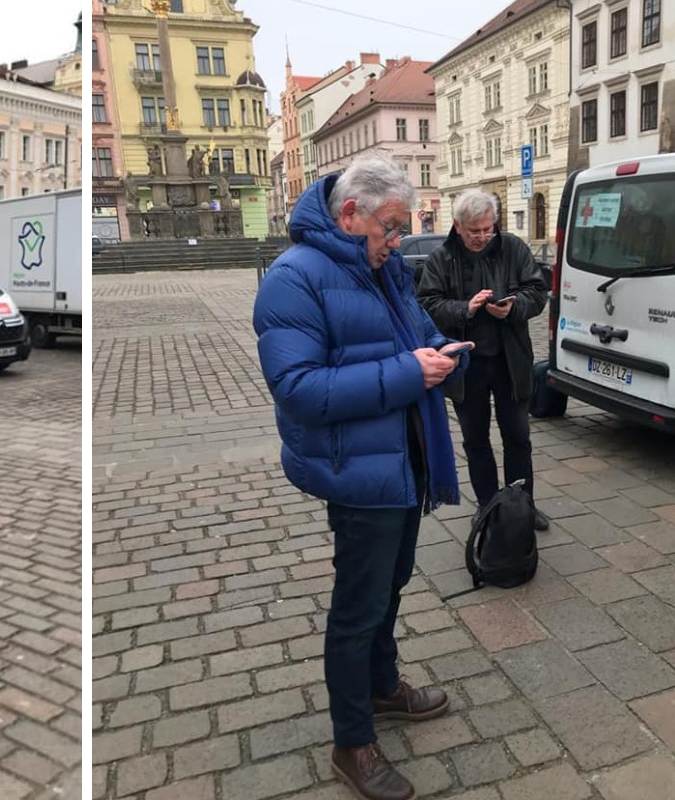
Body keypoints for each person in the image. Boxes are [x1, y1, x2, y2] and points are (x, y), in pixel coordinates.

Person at [253, 155, 470, 800]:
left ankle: (382, 687)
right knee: (358, 606)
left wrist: (447, 354)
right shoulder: (294, 278)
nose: (398, 241)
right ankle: (352, 742)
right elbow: (298, 388)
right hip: (358, 469)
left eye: (403, 229)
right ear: (350, 213)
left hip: (404, 461)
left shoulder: (385, 269)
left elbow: (422, 332)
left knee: (390, 587)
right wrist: (410, 372)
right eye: (391, 228)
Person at [418, 190, 550, 531]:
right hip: (467, 366)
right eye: (474, 231)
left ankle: (522, 505)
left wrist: (514, 307)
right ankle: (488, 506)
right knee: (475, 440)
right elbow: (428, 305)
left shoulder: (513, 248)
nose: (481, 237)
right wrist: (466, 308)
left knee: (517, 436)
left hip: (510, 361)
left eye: (488, 229)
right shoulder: (442, 258)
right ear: (458, 226)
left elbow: (537, 292)